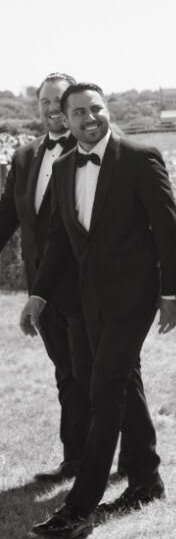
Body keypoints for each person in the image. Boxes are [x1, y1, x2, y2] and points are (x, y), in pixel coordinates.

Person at [21, 82, 176, 539]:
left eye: (96, 109)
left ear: (107, 110)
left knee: (105, 388)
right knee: (117, 380)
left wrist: (172, 296)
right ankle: (147, 479)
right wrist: (39, 294)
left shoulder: (141, 157)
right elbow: (60, 245)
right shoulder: (66, 166)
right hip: (89, 300)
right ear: (65, 121)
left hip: (135, 297)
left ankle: (78, 506)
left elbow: (168, 232)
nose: (89, 118)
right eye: (79, 113)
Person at [0, 72, 92, 481]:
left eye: (60, 101)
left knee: (106, 373)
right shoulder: (23, 158)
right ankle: (76, 459)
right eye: (45, 102)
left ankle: (136, 462)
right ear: (37, 107)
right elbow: (7, 217)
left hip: (87, 284)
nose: (53, 109)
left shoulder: (92, 149)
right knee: (66, 373)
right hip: (43, 286)